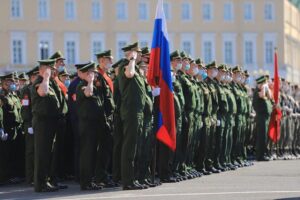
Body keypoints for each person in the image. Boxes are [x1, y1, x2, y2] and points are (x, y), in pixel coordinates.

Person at [31, 59, 63, 192]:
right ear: (43, 70)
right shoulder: (40, 81)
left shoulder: (48, 82)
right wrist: (46, 77)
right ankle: (40, 184)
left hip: (50, 123)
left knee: (48, 153)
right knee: (42, 154)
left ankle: (46, 180)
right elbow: (43, 92)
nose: (53, 71)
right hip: (42, 123)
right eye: (50, 69)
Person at [118, 42, 147, 190]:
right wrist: (132, 59)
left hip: (138, 112)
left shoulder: (135, 68)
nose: (141, 55)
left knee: (136, 146)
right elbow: (129, 74)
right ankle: (127, 181)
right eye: (138, 53)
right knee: (129, 147)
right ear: (131, 53)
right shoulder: (126, 65)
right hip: (130, 112)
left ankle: (134, 178)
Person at [76, 61, 105, 190]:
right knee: (87, 154)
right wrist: (90, 82)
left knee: (93, 154)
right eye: (92, 73)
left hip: (94, 125)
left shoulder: (92, 85)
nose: (94, 75)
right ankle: (85, 182)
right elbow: (88, 93)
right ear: (87, 74)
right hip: (86, 125)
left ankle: (90, 180)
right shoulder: (82, 85)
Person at [20, 66, 39, 186]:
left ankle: (37, 176)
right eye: (35, 76)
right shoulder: (26, 90)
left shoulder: (37, 87)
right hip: (30, 123)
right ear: (31, 78)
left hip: (38, 123)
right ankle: (30, 177)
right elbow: (25, 108)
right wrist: (29, 124)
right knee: (30, 151)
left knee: (38, 151)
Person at [252, 75, 273, 161]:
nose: (266, 84)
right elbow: (262, 95)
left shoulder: (263, 90)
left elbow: (270, 97)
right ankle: (260, 156)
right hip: (261, 117)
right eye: (264, 83)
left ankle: (263, 154)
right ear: (260, 84)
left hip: (265, 117)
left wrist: (266, 87)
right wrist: (264, 86)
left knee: (264, 137)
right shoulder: (258, 91)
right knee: (261, 137)